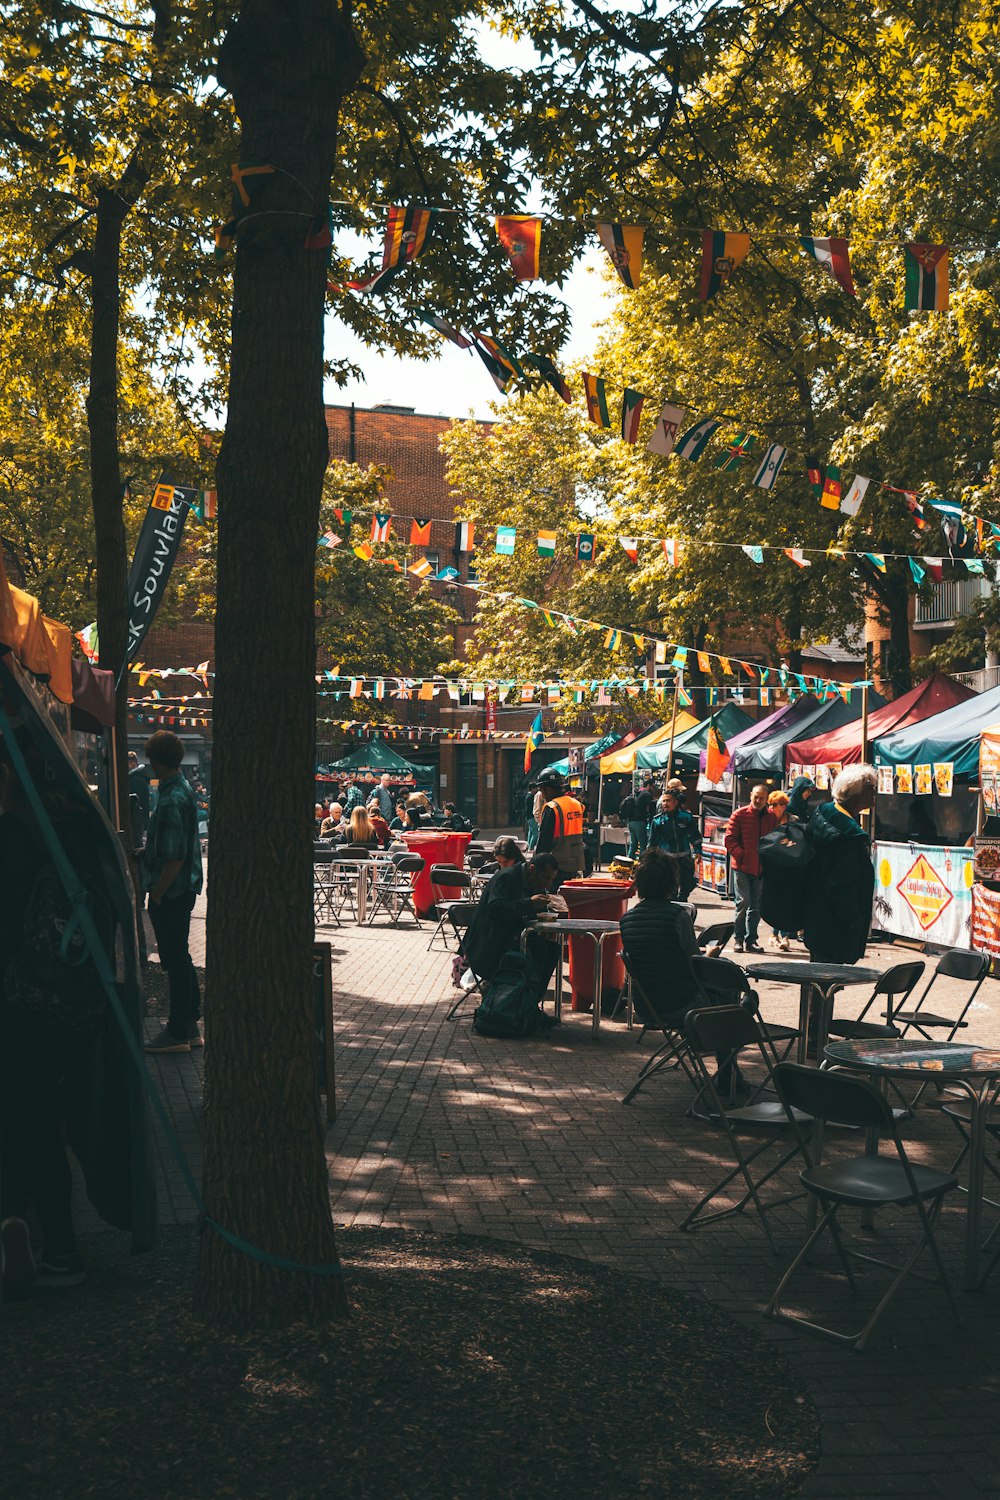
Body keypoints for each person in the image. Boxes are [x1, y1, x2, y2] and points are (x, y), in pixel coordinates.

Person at [0, 736, 113, 1293]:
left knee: (27, 1120)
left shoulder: (12, 840)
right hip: (76, 1005)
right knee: (45, 1118)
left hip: (20, 1005)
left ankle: (39, 1234)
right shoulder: (75, 831)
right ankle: (47, 1237)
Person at [619, 850, 742, 1091]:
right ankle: (727, 1069)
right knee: (731, 990)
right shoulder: (677, 915)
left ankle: (727, 1066)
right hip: (682, 1003)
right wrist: (710, 954)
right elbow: (694, 963)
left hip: (648, 1006)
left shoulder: (627, 919)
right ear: (672, 884)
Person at [142, 730, 204, 1054]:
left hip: (173, 890)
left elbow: (175, 856)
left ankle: (178, 1029)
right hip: (185, 888)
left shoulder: (169, 800)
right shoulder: (183, 790)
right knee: (180, 955)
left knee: (173, 958)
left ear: (157, 760)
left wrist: (158, 893)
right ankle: (190, 1022)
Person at [802, 764, 877, 964]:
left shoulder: (824, 813)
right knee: (825, 982)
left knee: (817, 979)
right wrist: (853, 921)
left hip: (816, 916)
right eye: (869, 787)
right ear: (853, 792)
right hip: (834, 926)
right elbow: (842, 884)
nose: (874, 792)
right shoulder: (848, 833)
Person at [460, 853, 560, 990]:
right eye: (546, 878)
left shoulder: (533, 882)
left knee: (553, 949)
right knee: (539, 950)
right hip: (488, 945)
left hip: (508, 937)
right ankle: (522, 1001)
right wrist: (529, 903)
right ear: (532, 869)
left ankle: (530, 1001)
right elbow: (495, 909)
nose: (548, 884)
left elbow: (529, 914)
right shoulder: (506, 877)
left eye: (551, 880)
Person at [724, 784, 777, 955]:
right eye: (756, 797)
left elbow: (775, 838)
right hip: (742, 867)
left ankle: (751, 940)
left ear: (767, 799)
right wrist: (743, 855)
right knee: (743, 902)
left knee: (756, 906)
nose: (759, 800)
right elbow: (730, 840)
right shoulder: (739, 815)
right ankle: (738, 939)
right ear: (751, 796)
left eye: (762, 798)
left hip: (761, 868)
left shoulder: (771, 817)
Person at [647, 788, 702, 899]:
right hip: (666, 859)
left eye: (668, 801)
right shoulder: (657, 821)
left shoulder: (686, 817)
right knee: (670, 888)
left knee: (688, 884)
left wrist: (698, 851)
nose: (665, 804)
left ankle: (682, 899)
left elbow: (695, 836)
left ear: (675, 802)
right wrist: (649, 858)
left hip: (684, 858)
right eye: (663, 801)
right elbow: (652, 842)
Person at [534, 768, 585, 880]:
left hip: (557, 866)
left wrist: (535, 865)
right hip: (577, 863)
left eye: (541, 790)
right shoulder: (577, 804)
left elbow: (544, 841)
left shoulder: (552, 807)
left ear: (548, 789)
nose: (542, 795)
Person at [761, 791, 795, 951]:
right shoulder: (768, 819)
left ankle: (785, 936)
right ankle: (774, 934)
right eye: (770, 804)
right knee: (776, 900)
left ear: (783, 805)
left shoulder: (793, 820)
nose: (771, 807)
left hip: (789, 864)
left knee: (787, 900)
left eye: (774, 804)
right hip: (773, 863)